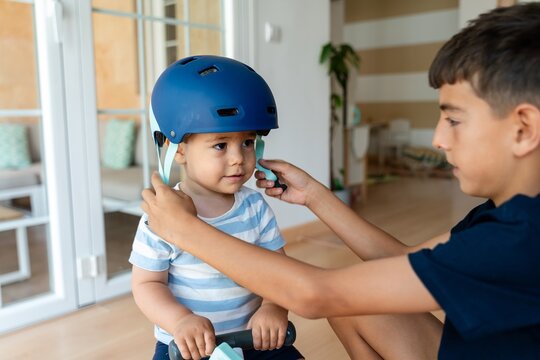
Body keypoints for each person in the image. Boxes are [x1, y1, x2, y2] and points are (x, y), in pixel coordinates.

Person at [141, 4, 540, 360]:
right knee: (362, 302)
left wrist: (186, 230)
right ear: (178, 148)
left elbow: (315, 294)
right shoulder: (504, 215)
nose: (437, 138)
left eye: (453, 119)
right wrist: (315, 196)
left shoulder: (521, 239)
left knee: (345, 297)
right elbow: (402, 262)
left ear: (523, 128)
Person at [130, 55, 303, 360]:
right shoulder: (162, 214)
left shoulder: (254, 207)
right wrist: (179, 320)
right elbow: (147, 284)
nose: (239, 157)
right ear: (179, 150)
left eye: (247, 142)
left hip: (255, 337)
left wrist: (273, 307)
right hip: (187, 346)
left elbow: (280, 273)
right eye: (221, 145)